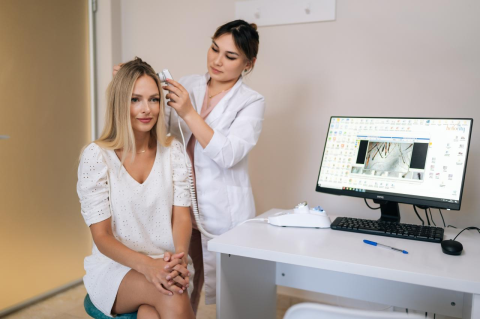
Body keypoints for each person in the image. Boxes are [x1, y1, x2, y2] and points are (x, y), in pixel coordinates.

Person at [114, 19, 265, 313]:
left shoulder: (251, 102)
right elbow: (163, 129)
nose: (217, 61)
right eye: (214, 48)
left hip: (221, 214)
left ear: (249, 63)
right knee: (181, 284)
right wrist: (132, 88)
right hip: (180, 206)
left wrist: (188, 111)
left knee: (233, 298)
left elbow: (229, 153)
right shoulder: (190, 84)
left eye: (230, 56)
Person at [77, 58, 195, 319]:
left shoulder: (172, 150)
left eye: (154, 99)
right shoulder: (97, 157)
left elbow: (181, 217)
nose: (147, 109)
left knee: (150, 313)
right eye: (135, 100)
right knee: (172, 292)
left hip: (167, 262)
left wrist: (179, 260)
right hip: (115, 268)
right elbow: (102, 237)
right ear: (120, 102)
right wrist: (148, 267)